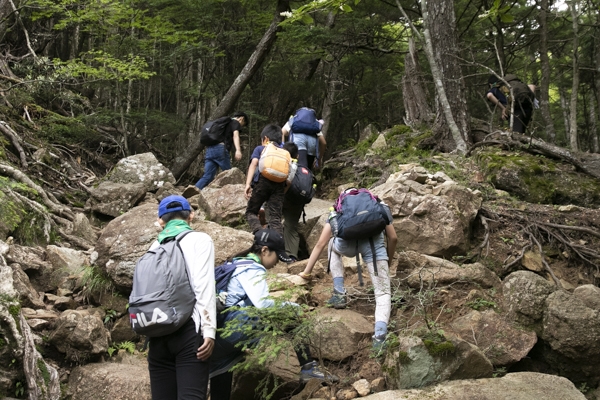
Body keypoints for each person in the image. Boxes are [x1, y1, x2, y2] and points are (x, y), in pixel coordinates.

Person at [207, 228, 338, 400]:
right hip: (236, 327)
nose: (278, 262)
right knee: (289, 315)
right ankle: (308, 369)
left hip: (216, 335)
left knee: (222, 368)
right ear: (265, 250)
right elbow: (263, 305)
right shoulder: (252, 268)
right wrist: (294, 307)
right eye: (277, 255)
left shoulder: (233, 264)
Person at [298, 193, 397, 353]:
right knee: (383, 293)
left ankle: (339, 292)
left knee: (331, 243)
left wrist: (306, 272)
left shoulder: (339, 206)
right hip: (374, 248)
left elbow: (320, 243)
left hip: (346, 246)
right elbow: (393, 238)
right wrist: (387, 263)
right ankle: (380, 337)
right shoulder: (376, 202)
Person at [147, 195, 216, 400]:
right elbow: (203, 285)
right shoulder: (200, 240)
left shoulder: (153, 247)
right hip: (189, 330)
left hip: (157, 332)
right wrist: (209, 330)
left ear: (161, 220)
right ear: (191, 216)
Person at [244, 124, 291, 240]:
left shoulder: (261, 149)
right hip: (279, 185)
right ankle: (278, 245)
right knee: (275, 218)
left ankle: (260, 234)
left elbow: (254, 163)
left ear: (265, 139)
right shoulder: (284, 152)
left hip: (262, 183)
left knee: (251, 212)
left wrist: (247, 184)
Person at [195, 112, 248, 190]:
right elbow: (236, 135)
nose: (241, 126)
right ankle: (234, 195)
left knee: (207, 176)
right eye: (243, 123)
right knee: (230, 174)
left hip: (210, 149)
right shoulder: (235, 122)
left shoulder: (224, 123)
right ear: (242, 118)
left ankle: (192, 192)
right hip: (220, 149)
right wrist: (238, 150)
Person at [281, 141, 303, 263]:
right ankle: (292, 257)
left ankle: (273, 251)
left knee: (273, 222)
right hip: (297, 202)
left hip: (281, 198)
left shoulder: (282, 165)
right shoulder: (302, 170)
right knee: (291, 227)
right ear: (297, 156)